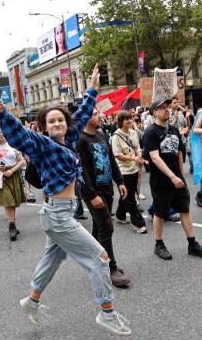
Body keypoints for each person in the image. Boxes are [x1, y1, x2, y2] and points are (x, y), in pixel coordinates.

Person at [0, 66, 132, 336]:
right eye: (51, 121)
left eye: (61, 120)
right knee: (101, 259)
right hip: (57, 214)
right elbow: (21, 136)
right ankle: (107, 314)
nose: (57, 123)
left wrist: (92, 87)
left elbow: (81, 115)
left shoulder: (69, 138)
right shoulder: (43, 145)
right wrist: (2, 113)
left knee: (53, 260)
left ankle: (31, 300)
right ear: (44, 126)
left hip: (60, 212)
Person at [144, 98, 202, 261]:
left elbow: (179, 153)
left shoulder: (173, 129)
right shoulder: (150, 132)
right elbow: (155, 158)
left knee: (184, 209)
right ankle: (159, 245)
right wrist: (171, 176)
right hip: (161, 182)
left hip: (177, 180)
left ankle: (192, 244)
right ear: (154, 112)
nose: (167, 109)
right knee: (160, 212)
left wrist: (180, 175)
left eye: (167, 106)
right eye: (162, 107)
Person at [78, 109, 132, 288]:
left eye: (98, 113)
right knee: (107, 226)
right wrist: (92, 195)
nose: (99, 116)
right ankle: (110, 268)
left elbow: (110, 160)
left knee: (99, 226)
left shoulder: (101, 134)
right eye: (94, 114)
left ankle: (94, 261)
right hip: (94, 192)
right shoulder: (81, 140)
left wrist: (120, 181)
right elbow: (82, 171)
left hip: (107, 188)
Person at [0, 126, 27, 240]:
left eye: (3, 132)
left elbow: (22, 160)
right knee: (8, 201)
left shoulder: (13, 144)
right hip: (0, 177)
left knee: (13, 202)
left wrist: (12, 170)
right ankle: (11, 226)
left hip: (13, 175)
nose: (1, 134)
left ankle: (12, 222)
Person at [111, 110, 147, 234]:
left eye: (130, 119)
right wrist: (133, 158)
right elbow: (117, 155)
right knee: (130, 197)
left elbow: (137, 147)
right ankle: (138, 223)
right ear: (121, 121)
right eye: (127, 119)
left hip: (134, 168)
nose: (130, 121)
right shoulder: (116, 136)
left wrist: (140, 156)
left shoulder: (133, 132)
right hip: (122, 171)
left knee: (127, 194)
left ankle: (120, 215)